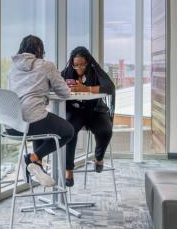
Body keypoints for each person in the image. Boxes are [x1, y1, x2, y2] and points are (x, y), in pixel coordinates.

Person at [7, 35, 79, 187]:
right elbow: (65, 93)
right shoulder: (46, 65)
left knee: (41, 120)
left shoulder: (12, 68)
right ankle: (32, 158)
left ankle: (37, 165)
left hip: (11, 125)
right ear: (39, 49)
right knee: (68, 131)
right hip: (32, 121)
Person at [60, 46, 116, 186]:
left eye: (82, 64)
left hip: (95, 110)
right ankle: (69, 171)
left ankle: (99, 158)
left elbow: (110, 87)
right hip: (75, 111)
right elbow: (54, 85)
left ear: (88, 62)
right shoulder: (67, 72)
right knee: (69, 132)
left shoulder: (95, 71)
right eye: (76, 64)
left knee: (106, 130)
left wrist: (87, 89)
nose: (78, 67)